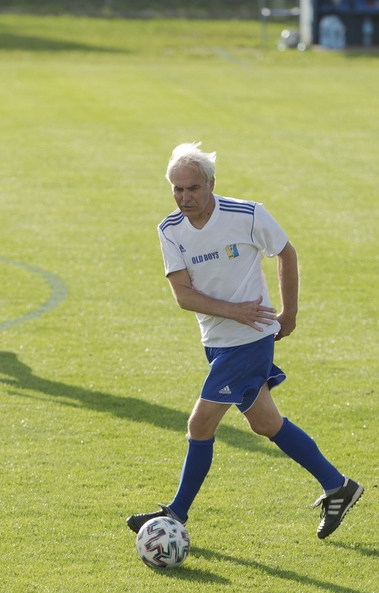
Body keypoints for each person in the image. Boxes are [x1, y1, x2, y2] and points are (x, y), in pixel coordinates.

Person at [127, 142, 363, 540]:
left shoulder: (247, 214)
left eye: (193, 189)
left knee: (200, 424)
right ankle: (337, 486)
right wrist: (232, 310)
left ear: (211, 184)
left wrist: (289, 313)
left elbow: (286, 253)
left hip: (250, 341)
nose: (185, 198)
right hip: (218, 340)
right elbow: (183, 295)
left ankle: (176, 515)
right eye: (177, 189)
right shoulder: (170, 230)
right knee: (265, 422)